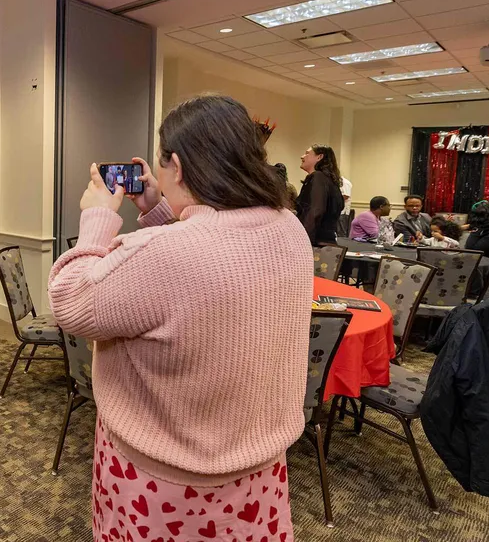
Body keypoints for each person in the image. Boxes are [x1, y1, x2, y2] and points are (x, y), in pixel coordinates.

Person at [49, 95, 309, 542]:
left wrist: (95, 219)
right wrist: (161, 209)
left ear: (178, 166)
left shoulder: (166, 255)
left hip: (166, 480)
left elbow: (71, 300)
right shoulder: (289, 228)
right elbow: (183, 283)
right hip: (258, 470)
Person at [296, 144, 345, 245]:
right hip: (328, 243)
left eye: (307, 153)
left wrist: (301, 241)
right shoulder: (330, 181)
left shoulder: (318, 177)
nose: (302, 156)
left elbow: (315, 211)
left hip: (317, 244)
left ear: (319, 157)